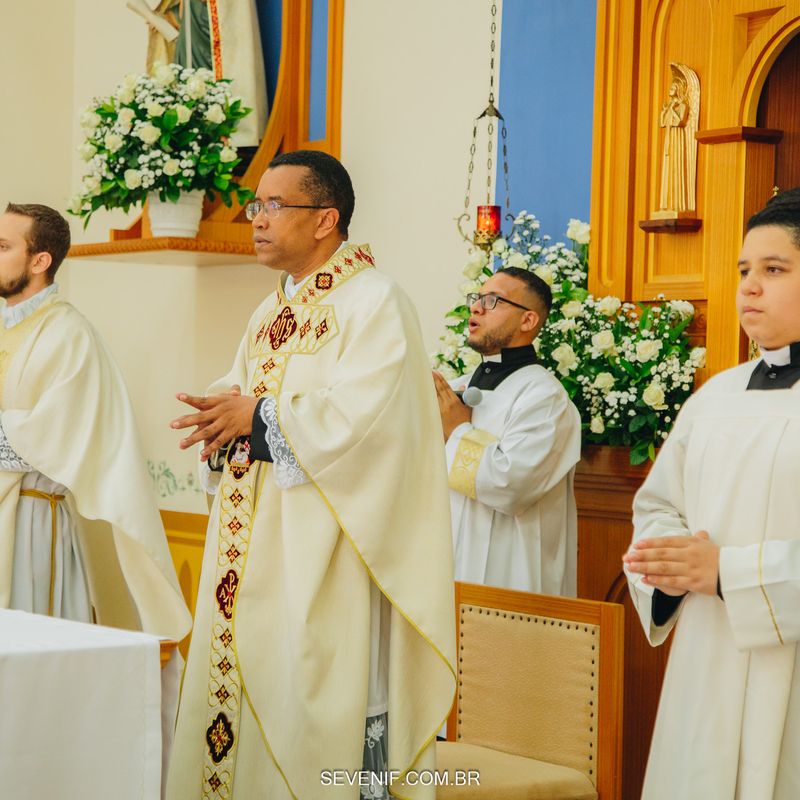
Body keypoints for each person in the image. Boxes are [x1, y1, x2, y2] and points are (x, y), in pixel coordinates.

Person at [168, 150, 456, 800]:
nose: (257, 219)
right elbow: (241, 395)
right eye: (256, 205)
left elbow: (372, 424)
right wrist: (219, 422)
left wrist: (258, 417)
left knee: (314, 714)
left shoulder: (376, 302)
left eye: (274, 205)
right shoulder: (269, 312)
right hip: (252, 551)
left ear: (326, 219)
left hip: (328, 557)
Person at [624, 188, 800, 799]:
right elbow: (658, 505)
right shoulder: (715, 396)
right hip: (705, 660)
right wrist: (667, 566)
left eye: (774, 270)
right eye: (744, 270)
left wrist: (729, 573)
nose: (749, 287)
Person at [0, 203, 190, 640]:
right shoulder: (7, 329)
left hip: (32, 521)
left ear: (39, 261)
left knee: (32, 648)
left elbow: (51, 438)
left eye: (4, 246)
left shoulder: (68, 334)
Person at [433, 267, 581, 595]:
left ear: (528, 320)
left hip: (510, 575)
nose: (476, 308)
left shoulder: (545, 398)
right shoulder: (456, 388)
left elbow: (510, 485)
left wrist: (457, 432)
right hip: (445, 566)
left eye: (492, 300)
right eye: (476, 299)